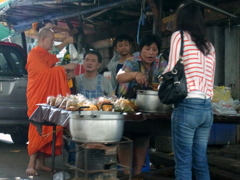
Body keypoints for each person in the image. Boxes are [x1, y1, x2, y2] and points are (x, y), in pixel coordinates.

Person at [161, 2, 216, 180]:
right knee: (200, 161)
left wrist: (161, 78)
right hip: (206, 109)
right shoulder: (209, 46)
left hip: (187, 106)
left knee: (183, 163)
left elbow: (171, 69)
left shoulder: (179, 36)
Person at [25, 27, 77, 176]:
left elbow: (52, 70)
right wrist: (64, 68)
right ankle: (31, 164)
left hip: (48, 97)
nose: (53, 43)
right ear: (43, 39)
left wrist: (67, 74)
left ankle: (41, 163)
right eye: (51, 40)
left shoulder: (46, 55)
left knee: (50, 127)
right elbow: (44, 74)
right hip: (37, 97)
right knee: (37, 127)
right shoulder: (34, 54)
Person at [116, 33, 162, 175]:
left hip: (148, 109)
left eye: (154, 50)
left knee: (142, 141)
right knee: (125, 141)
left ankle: (136, 175)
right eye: (147, 49)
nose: (150, 53)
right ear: (141, 49)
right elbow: (119, 76)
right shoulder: (132, 61)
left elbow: (166, 77)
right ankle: (126, 174)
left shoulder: (160, 63)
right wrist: (135, 75)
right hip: (128, 108)